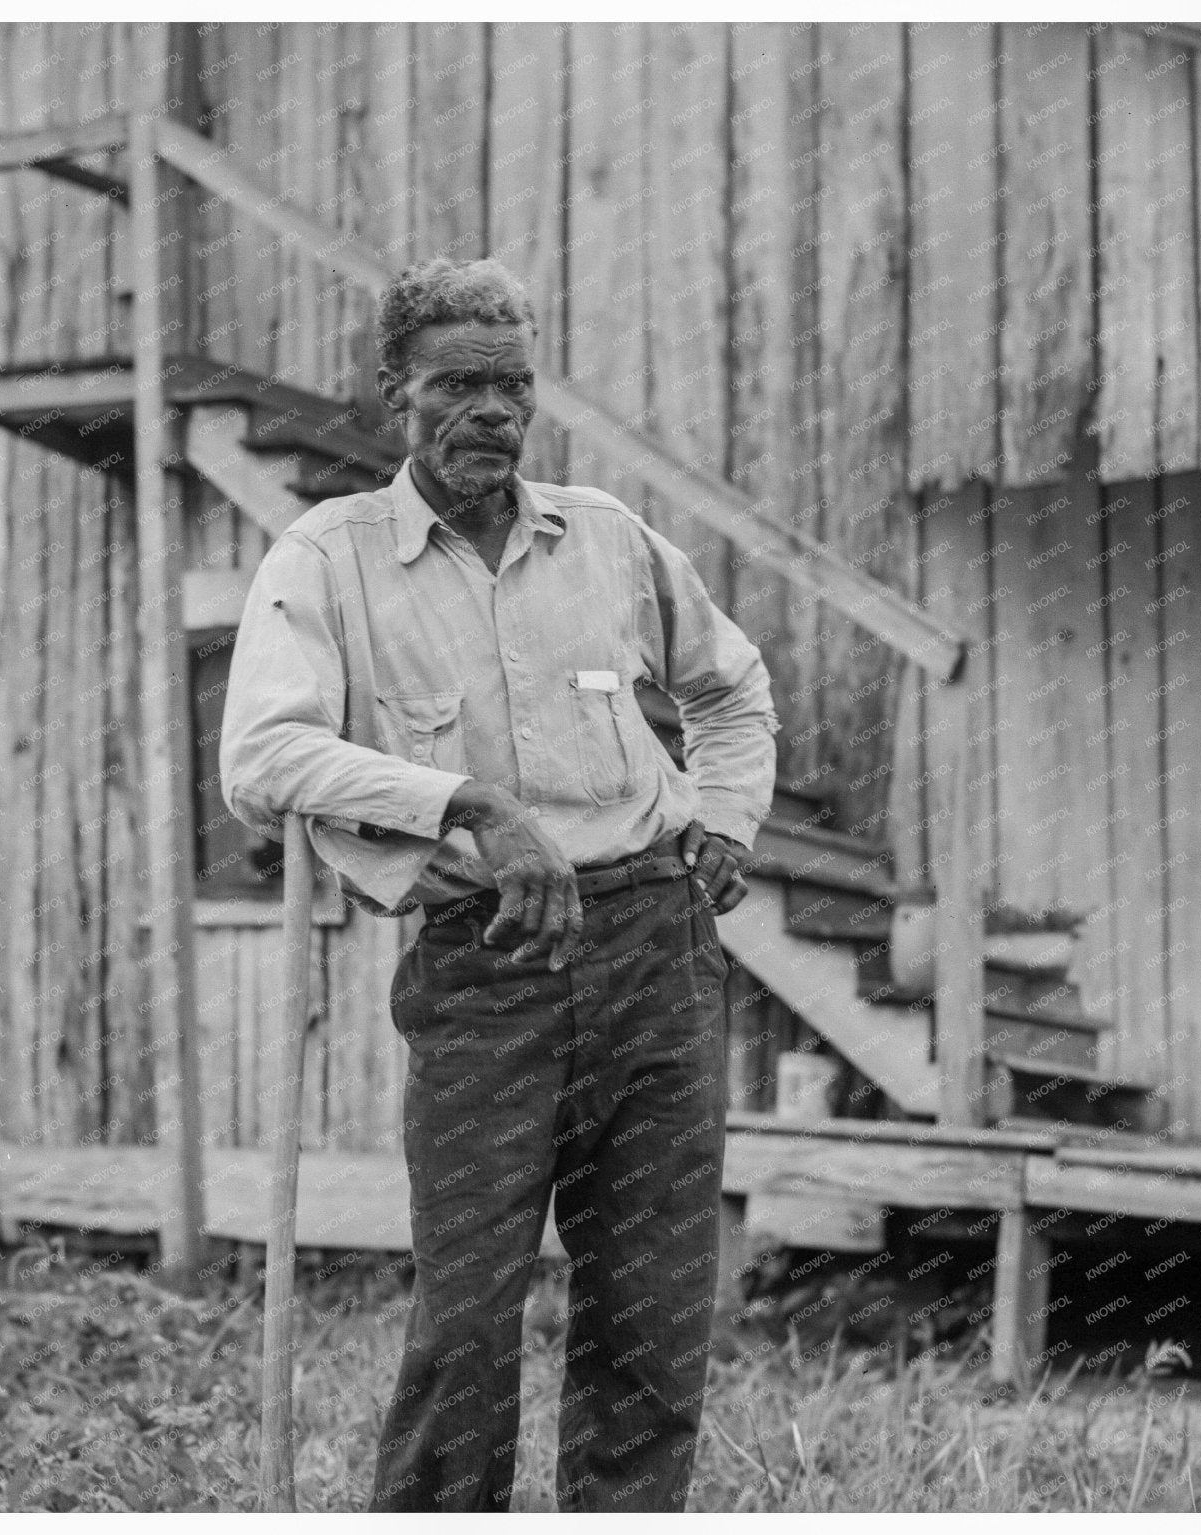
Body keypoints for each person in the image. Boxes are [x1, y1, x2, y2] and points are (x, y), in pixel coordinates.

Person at [220, 255, 778, 1512]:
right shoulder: (330, 559)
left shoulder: (609, 540)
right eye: (456, 385)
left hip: (653, 948)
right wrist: (466, 804)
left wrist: (728, 820)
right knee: (465, 1318)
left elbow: (729, 688)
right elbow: (259, 754)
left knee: (649, 1307)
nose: (489, 413)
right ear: (391, 395)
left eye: (512, 386)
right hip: (488, 969)